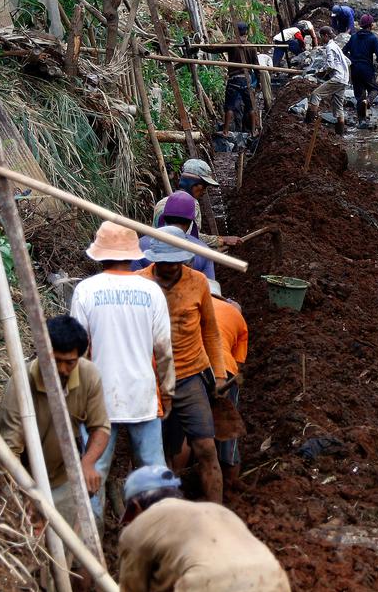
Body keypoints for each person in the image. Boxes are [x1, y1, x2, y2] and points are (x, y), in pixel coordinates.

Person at [69, 222, 173, 520]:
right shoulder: (151, 291)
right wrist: (167, 393)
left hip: (98, 400)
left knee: (93, 471)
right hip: (143, 395)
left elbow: (78, 352)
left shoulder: (86, 291)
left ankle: (92, 544)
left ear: (99, 256)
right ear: (132, 254)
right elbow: (164, 349)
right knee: (154, 471)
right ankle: (161, 538)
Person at [137, 226, 230, 505]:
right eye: (163, 262)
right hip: (151, 379)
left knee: (205, 447)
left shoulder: (198, 283)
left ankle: (215, 514)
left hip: (190, 376)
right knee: (154, 450)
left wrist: (221, 373)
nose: (168, 268)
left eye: (174, 262)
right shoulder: (139, 283)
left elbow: (211, 331)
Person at [0, 316, 110, 527]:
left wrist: (88, 462)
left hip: (63, 479)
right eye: (55, 361)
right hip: (24, 481)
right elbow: (9, 449)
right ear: (42, 353)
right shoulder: (20, 383)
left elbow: (100, 427)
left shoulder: (89, 375)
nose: (62, 370)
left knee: (65, 549)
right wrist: (26, 493)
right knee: (29, 546)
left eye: (70, 362)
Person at [118, 466, 291, 592]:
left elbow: (133, 589)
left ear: (135, 506)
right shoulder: (217, 510)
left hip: (211, 584)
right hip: (273, 579)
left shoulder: (139, 527)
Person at [207, 280, 248, 484]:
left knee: (187, 428)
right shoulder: (235, 315)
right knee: (227, 430)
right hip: (225, 370)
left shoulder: (188, 306)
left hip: (191, 368)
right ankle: (231, 488)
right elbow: (238, 361)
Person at [152, 159, 243, 249]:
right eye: (204, 185)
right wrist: (221, 240)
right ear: (192, 184)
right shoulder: (192, 205)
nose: (204, 191)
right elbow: (190, 238)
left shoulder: (162, 202)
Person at [134, 191, 216, 279]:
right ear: (190, 222)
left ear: (164, 218)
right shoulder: (203, 251)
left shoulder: (139, 246)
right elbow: (211, 290)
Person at [197, 22, 259, 136]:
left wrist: (200, 46)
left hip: (234, 79)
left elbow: (214, 49)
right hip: (247, 80)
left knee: (230, 106)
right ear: (246, 32)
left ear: (236, 31)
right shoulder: (252, 47)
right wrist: (258, 82)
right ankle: (253, 130)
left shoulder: (232, 44)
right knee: (250, 106)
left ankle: (225, 131)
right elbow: (257, 67)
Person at [342, 14, 378, 130]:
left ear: (361, 25)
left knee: (359, 96)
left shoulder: (353, 37)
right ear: (371, 25)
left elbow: (343, 51)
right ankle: (369, 101)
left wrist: (350, 61)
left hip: (355, 69)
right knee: (374, 89)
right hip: (367, 69)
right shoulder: (373, 38)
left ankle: (361, 122)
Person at [306, 26, 350, 136]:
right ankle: (340, 135)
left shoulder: (330, 47)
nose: (320, 39)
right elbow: (348, 62)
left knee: (315, 94)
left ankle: (308, 124)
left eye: (321, 37)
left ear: (326, 36)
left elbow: (330, 65)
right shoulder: (336, 46)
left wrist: (322, 72)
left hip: (337, 78)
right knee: (338, 107)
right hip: (344, 79)